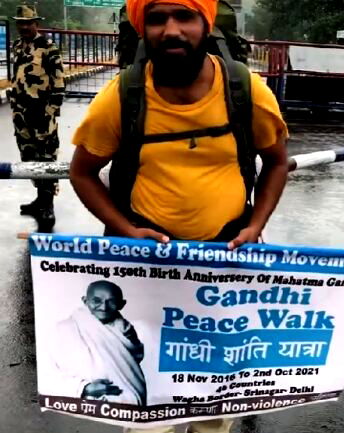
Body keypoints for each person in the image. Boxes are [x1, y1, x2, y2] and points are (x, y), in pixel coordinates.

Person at [68, 0, 289, 429]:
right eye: (156, 19)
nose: (171, 30)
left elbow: (277, 162)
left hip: (222, 267)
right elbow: (82, 172)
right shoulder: (123, 96)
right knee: (147, 397)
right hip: (145, 274)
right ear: (142, 29)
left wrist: (256, 225)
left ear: (205, 24)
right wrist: (126, 229)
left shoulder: (244, 90)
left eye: (184, 16)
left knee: (212, 397)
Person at [9, 3, 65, 228]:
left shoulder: (48, 47)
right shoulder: (17, 46)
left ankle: (48, 205)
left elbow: (59, 81)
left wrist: (52, 110)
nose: (24, 27)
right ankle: (39, 200)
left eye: (28, 23)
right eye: (21, 23)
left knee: (46, 157)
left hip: (42, 113)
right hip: (21, 113)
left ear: (36, 24)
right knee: (29, 155)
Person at [54, 280, 146, 405]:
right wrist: (85, 388)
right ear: (85, 301)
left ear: (121, 304)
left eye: (111, 301)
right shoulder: (65, 328)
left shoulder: (126, 330)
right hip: (87, 403)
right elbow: (50, 372)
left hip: (130, 398)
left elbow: (133, 359)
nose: (104, 307)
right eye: (96, 301)